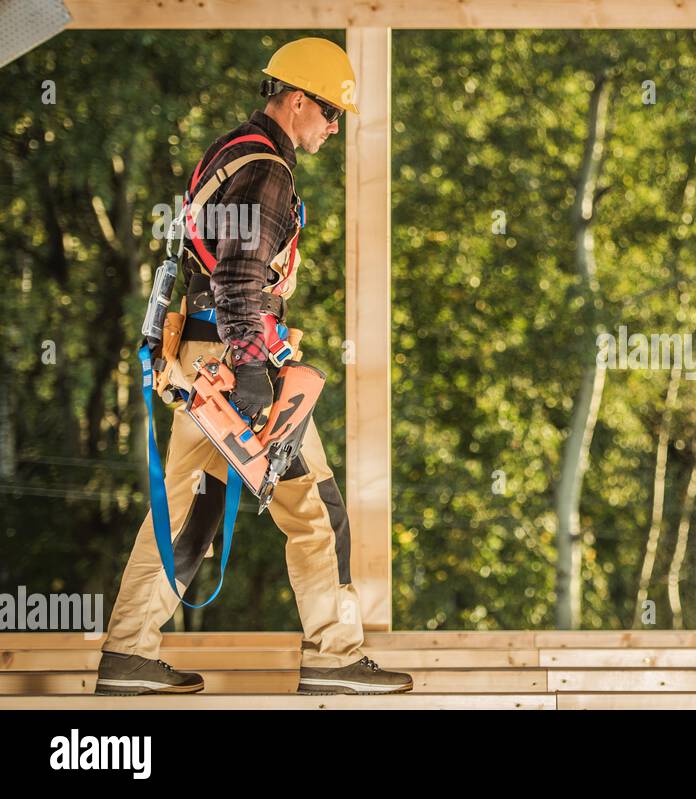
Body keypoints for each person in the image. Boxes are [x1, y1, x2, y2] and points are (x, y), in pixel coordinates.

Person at [96, 38, 411, 696]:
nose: (334, 125)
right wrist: (251, 370)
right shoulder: (270, 170)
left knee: (188, 511)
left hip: (199, 361)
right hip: (232, 364)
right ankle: (334, 653)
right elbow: (240, 277)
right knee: (315, 508)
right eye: (331, 113)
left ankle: (127, 651)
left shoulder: (227, 152)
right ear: (297, 101)